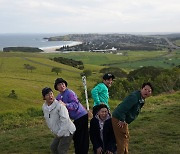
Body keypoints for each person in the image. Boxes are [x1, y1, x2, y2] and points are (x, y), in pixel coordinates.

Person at [112, 82, 153, 154]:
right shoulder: (134, 97)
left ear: (151, 93)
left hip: (124, 120)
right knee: (122, 139)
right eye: (145, 89)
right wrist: (122, 119)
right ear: (141, 89)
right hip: (119, 119)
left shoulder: (141, 99)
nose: (146, 92)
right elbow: (122, 108)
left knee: (126, 137)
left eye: (149, 91)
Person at [54, 78, 89, 154]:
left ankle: (83, 151)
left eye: (63, 84)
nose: (62, 86)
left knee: (82, 136)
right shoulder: (59, 97)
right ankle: (78, 151)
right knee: (76, 137)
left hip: (81, 115)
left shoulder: (70, 93)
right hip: (74, 119)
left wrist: (65, 105)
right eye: (59, 84)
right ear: (56, 87)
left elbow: (75, 105)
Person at [41, 87, 76, 154]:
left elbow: (65, 120)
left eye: (51, 94)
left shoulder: (60, 106)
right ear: (44, 97)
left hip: (67, 131)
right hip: (58, 132)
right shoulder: (44, 107)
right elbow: (48, 119)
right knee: (53, 147)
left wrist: (60, 134)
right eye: (47, 95)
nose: (50, 96)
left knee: (61, 150)